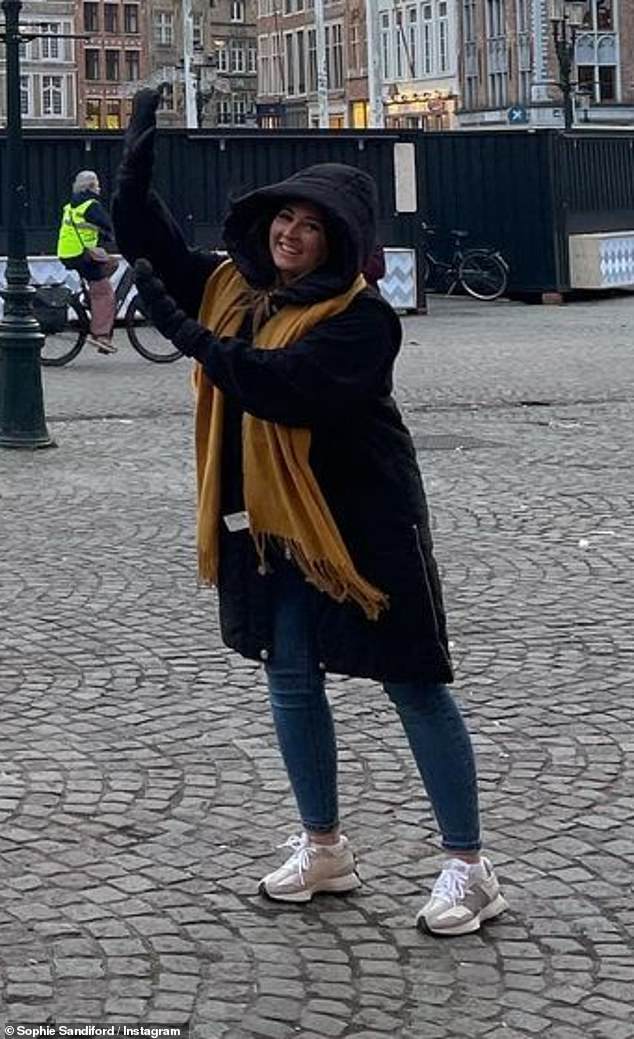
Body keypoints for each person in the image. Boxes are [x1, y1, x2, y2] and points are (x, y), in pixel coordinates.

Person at [112, 89, 508, 937]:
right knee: (290, 679)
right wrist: (134, 173)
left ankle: (470, 866)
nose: (291, 235)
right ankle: (324, 846)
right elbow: (154, 249)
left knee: (415, 683)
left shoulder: (361, 321)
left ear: (341, 246)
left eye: (313, 227)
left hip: (361, 523)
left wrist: (185, 334)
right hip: (270, 523)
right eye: (285, 219)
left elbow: (279, 388)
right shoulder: (238, 288)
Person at [56, 170, 119, 354]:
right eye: (98, 184)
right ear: (91, 186)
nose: (100, 188)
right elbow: (110, 224)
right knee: (105, 293)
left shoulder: (72, 205)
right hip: (83, 255)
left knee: (112, 263)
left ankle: (90, 297)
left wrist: (104, 235)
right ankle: (100, 336)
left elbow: (87, 227)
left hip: (68, 253)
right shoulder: (91, 205)